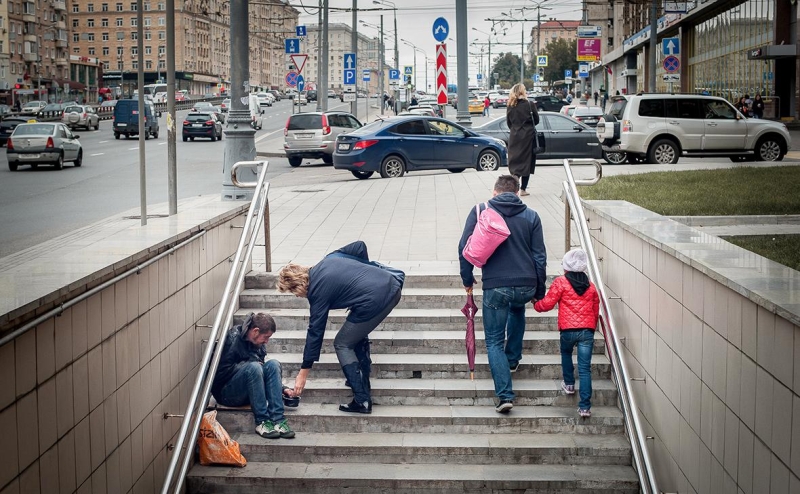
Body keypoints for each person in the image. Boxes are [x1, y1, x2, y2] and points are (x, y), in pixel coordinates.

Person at [278, 241, 405, 414]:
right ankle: (361, 376)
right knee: (354, 332)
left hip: (378, 299)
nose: (298, 296)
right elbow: (359, 246)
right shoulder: (329, 259)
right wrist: (363, 277)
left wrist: (303, 373)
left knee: (342, 343)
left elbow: (315, 332)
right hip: (390, 284)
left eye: (294, 293)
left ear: (297, 285)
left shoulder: (317, 292)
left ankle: (362, 400)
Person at [458, 175, 547, 414]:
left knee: (494, 341)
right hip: (526, 283)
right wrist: (540, 290)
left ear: (494, 192)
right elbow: (539, 256)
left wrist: (468, 279)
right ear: (517, 193)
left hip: (496, 286)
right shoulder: (531, 216)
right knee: (518, 309)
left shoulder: (480, 210)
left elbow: (464, 247)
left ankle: (505, 395)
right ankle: (513, 359)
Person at [533, 249, 599, 418]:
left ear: (566, 266)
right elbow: (595, 309)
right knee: (585, 369)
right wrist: (592, 326)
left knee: (566, 353)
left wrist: (536, 304)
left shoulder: (561, 283)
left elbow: (548, 303)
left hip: (568, 330)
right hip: (587, 331)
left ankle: (569, 384)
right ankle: (585, 407)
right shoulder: (591, 286)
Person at [210, 312, 295, 439]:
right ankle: (262, 422)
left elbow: (262, 370)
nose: (266, 341)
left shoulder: (258, 344)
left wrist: (283, 389)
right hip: (226, 394)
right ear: (255, 331)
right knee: (254, 367)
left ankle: (278, 420)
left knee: (273, 364)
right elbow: (220, 374)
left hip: (249, 390)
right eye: (266, 337)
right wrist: (249, 365)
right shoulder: (232, 339)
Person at [506, 83, 539, 197]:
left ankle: (514, 184)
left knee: (515, 160)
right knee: (527, 161)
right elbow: (537, 120)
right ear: (522, 92)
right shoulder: (529, 104)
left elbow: (508, 122)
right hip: (528, 136)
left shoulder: (510, 105)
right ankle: (523, 189)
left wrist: (515, 129)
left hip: (514, 136)